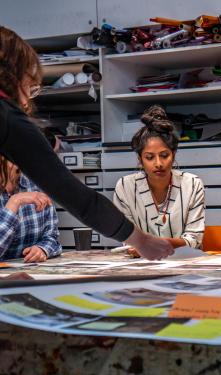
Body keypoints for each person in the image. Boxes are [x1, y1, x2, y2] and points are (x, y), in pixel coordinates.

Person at [0, 26, 173, 261]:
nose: (26, 99)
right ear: (12, 75)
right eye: (29, 86)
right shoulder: (6, 116)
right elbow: (73, 194)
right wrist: (141, 241)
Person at [113, 105, 205, 254]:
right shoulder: (125, 186)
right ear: (140, 159)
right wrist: (144, 245)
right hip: (141, 265)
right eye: (149, 157)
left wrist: (156, 244)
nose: (158, 164)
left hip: (183, 262)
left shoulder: (192, 184)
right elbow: (127, 237)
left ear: (173, 155)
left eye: (164, 155)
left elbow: (194, 240)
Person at [0, 156, 61, 262]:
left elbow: (52, 236)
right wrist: (15, 201)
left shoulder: (37, 183)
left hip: (32, 271)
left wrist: (42, 249)